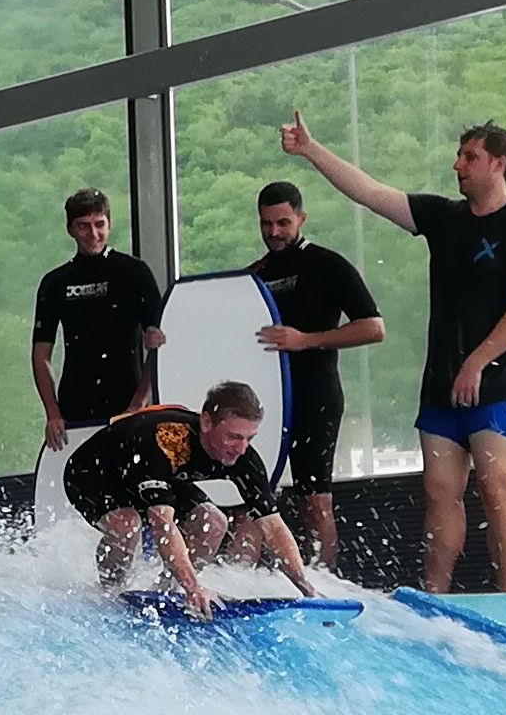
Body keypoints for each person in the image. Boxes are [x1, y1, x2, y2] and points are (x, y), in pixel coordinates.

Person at [273, 115, 506, 594]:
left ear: (498, 164)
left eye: (470, 157)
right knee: (440, 493)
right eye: (459, 155)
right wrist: (312, 150)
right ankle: (436, 594)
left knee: (495, 487)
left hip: (498, 381)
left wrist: (478, 361)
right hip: (442, 383)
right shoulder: (445, 218)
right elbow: (371, 192)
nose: (457, 165)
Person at [60, 383, 316, 615]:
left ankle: (163, 592)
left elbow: (273, 525)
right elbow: (162, 525)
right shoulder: (166, 441)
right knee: (127, 525)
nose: (241, 448)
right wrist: (195, 587)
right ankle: (111, 596)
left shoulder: (244, 457)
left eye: (250, 438)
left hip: (156, 475)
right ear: (207, 423)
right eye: (234, 437)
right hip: (93, 475)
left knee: (214, 522)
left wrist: (307, 589)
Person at [238, 178, 386, 573]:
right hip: (264, 404)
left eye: (283, 223)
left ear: (301, 218)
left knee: (314, 499)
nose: (274, 232)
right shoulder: (254, 275)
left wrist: (306, 340)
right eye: (267, 224)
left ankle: (325, 578)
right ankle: (240, 583)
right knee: (249, 497)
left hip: (315, 395)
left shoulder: (327, 264)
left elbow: (373, 327)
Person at [28, 189, 163, 450]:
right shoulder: (55, 283)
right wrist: (53, 413)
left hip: (128, 403)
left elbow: (159, 345)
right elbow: (41, 354)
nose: (93, 235)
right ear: (70, 229)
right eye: (83, 226)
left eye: (99, 225)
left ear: (109, 224)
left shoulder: (134, 272)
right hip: (75, 409)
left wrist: (138, 403)